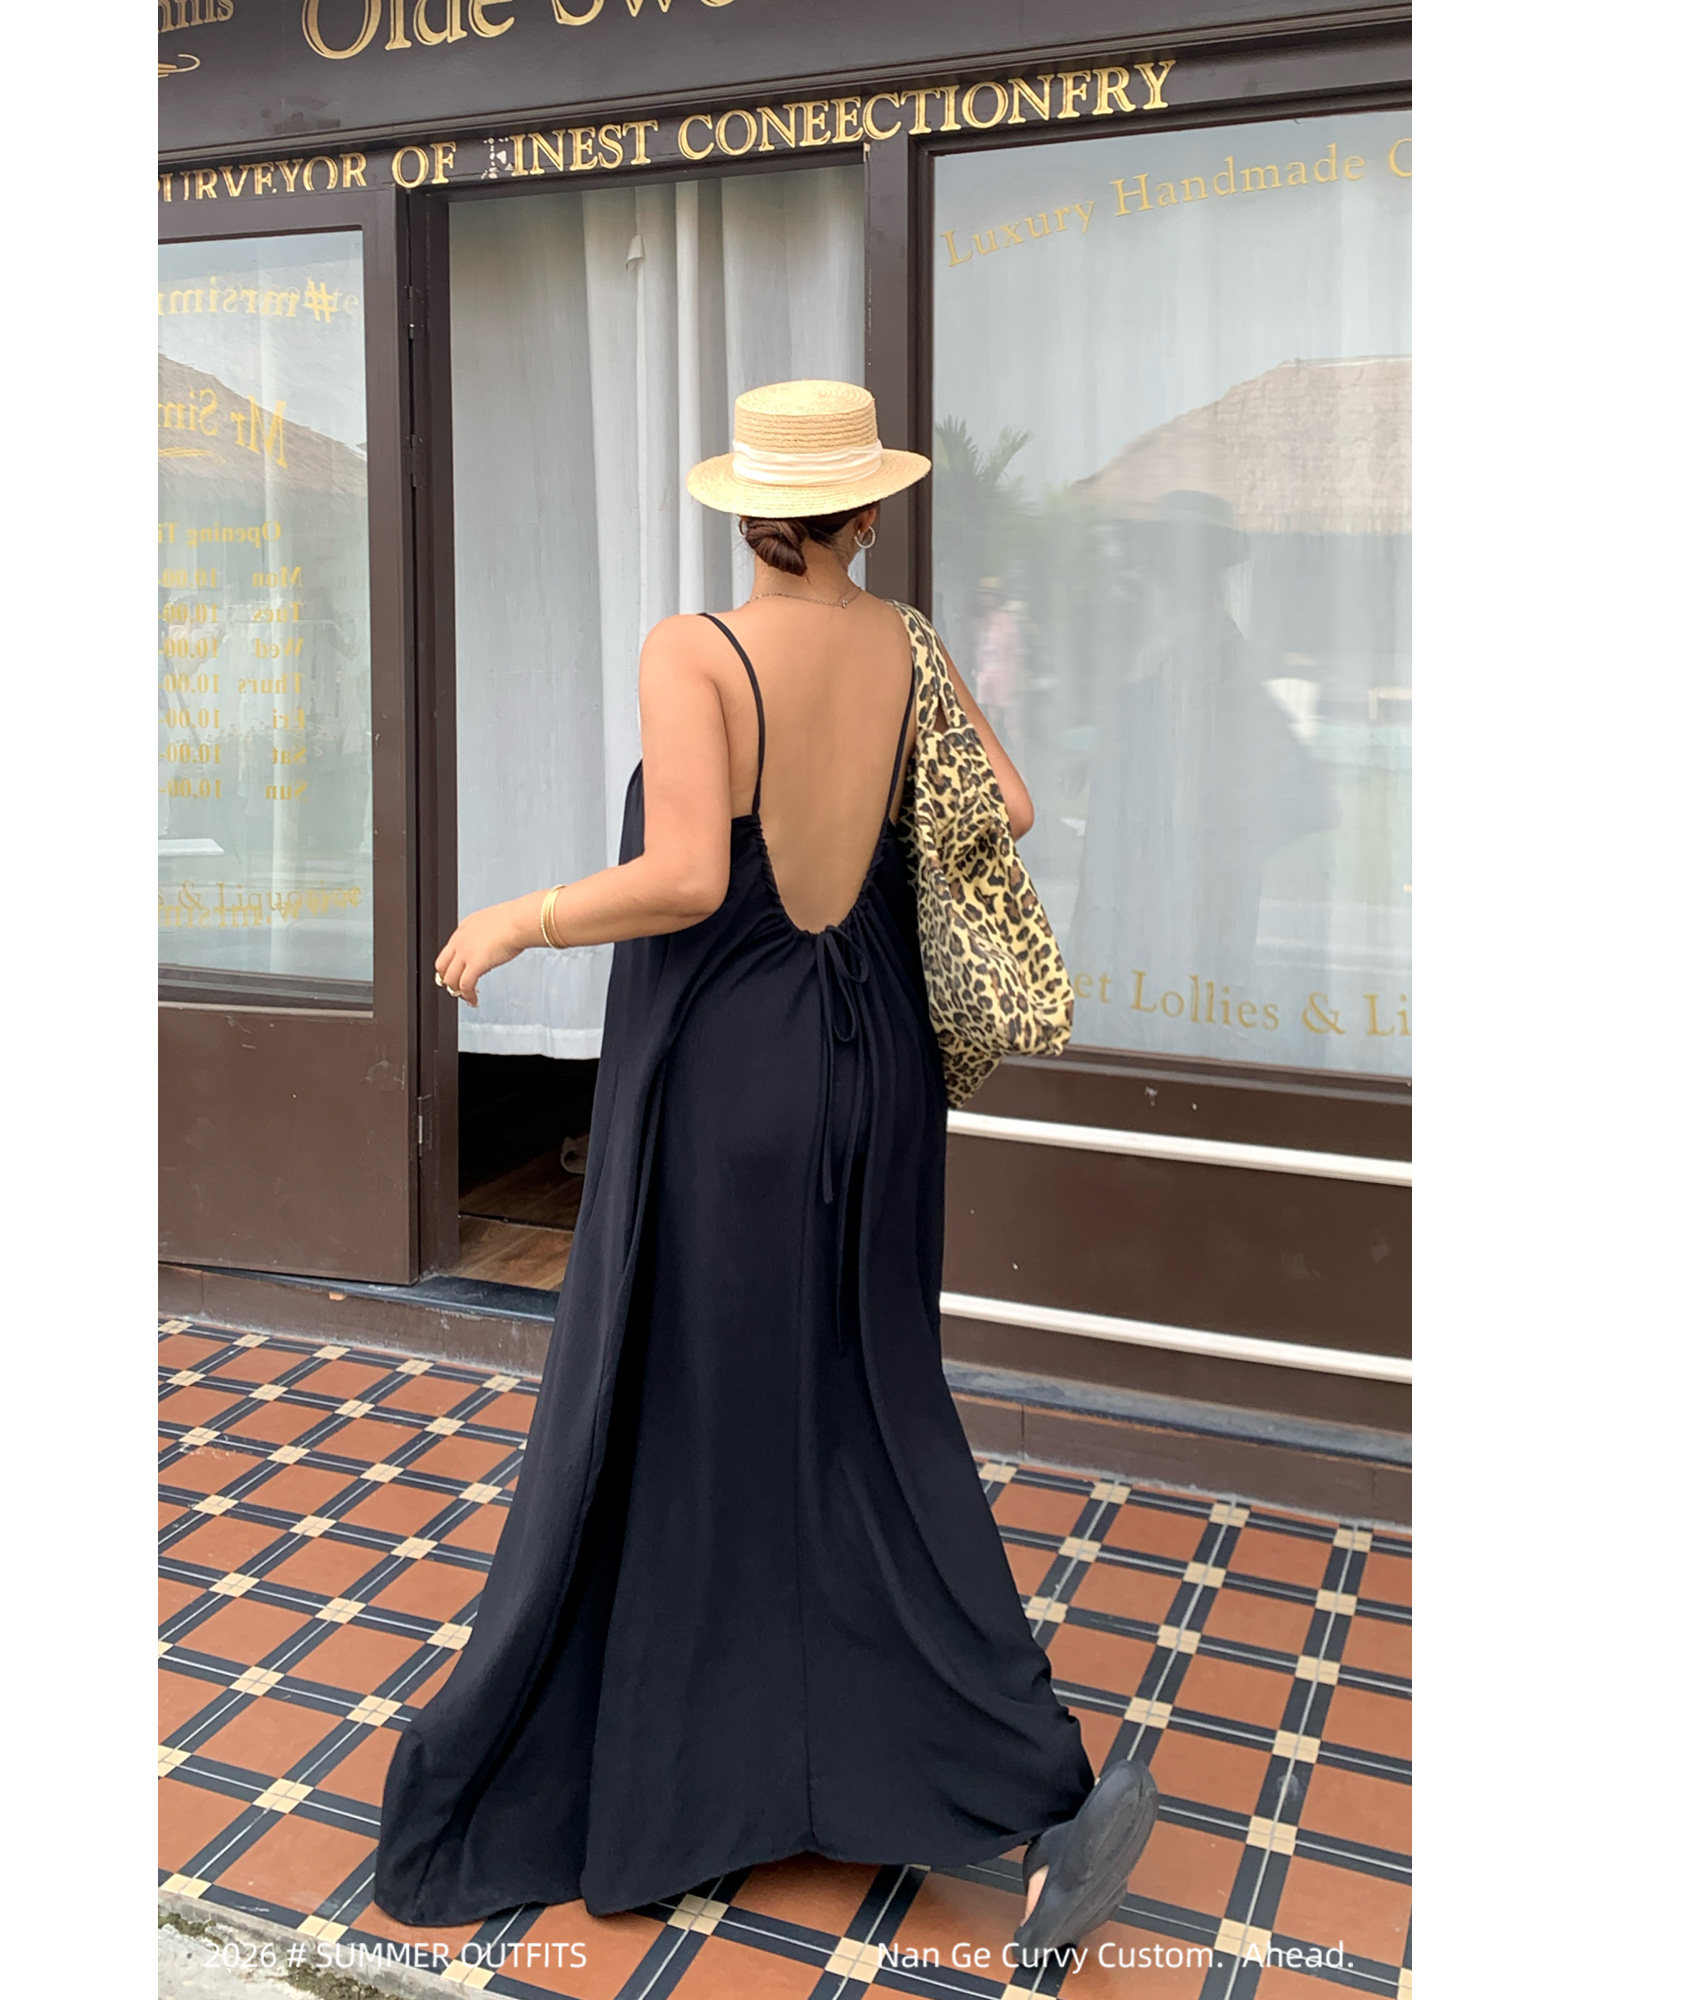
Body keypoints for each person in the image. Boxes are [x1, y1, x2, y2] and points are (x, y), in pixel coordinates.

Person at [374, 380, 1156, 1961]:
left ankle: (700, 1779)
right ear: (864, 511)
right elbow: (1003, 807)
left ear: (745, 512)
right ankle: (1010, 1773)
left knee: (699, 1406)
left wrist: (519, 918)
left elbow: (682, 878)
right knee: (872, 1402)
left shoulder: (698, 651)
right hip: (879, 1070)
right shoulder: (907, 643)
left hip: (738, 1077)